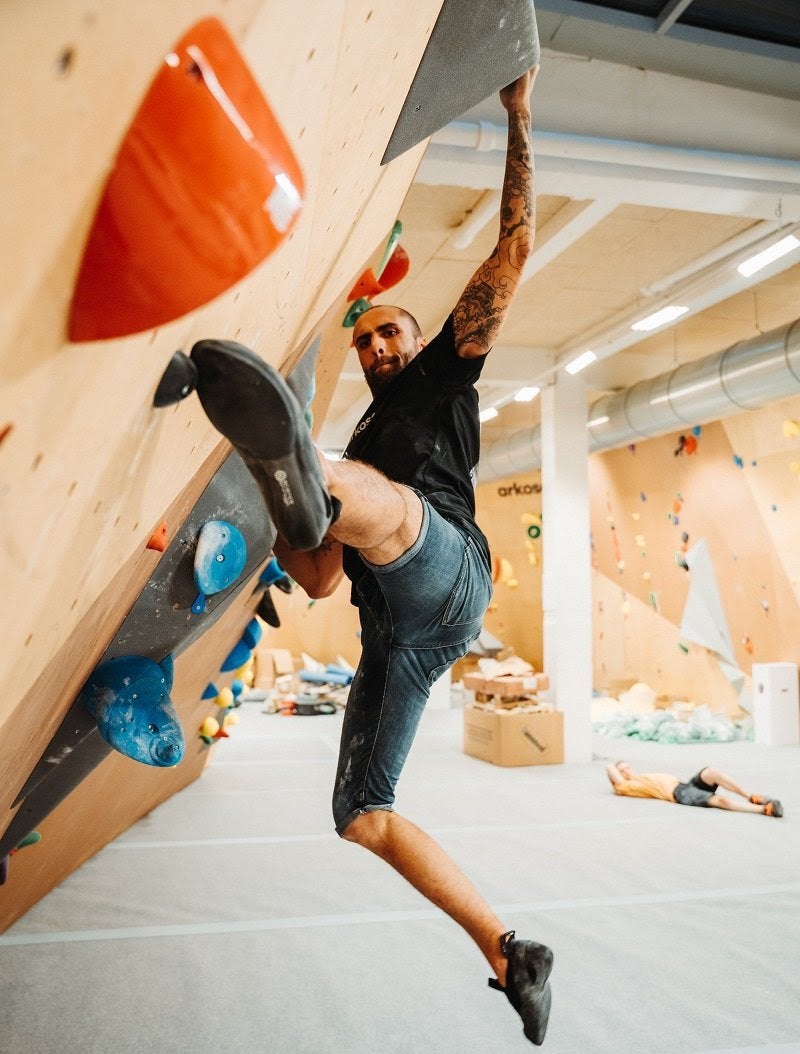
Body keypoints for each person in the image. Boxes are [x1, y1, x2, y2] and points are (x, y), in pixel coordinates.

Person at [192, 66, 551, 1046]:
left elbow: (512, 249)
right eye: (368, 341)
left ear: (417, 333)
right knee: (360, 813)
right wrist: (282, 527)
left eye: (390, 329)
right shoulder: (362, 423)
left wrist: (516, 113)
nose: (382, 345)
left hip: (444, 559)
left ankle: (292, 464)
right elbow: (316, 580)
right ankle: (507, 948)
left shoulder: (441, 377)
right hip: (405, 634)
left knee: (373, 500)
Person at [606, 760, 784, 817]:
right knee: (720, 801)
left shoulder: (641, 777)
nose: (628, 770)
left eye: (628, 766)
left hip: (685, 784)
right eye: (623, 769)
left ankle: (751, 796)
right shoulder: (626, 786)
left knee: (711, 772)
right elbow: (609, 768)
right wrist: (615, 768)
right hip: (679, 794)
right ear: (619, 775)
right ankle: (763, 809)